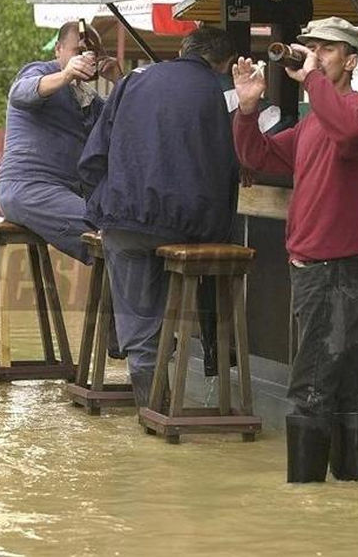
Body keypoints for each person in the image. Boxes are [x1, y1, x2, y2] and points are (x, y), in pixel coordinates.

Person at [232, 16, 358, 482]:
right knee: (340, 384)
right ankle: (348, 489)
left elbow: (350, 132)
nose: (315, 55)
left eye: (328, 50)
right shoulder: (316, 121)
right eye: (312, 47)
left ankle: (305, 500)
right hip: (316, 267)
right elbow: (257, 156)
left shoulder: (356, 110)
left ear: (351, 60)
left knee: (310, 384)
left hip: (333, 269)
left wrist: (312, 78)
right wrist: (248, 110)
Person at [78, 26, 240, 408]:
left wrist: (102, 205)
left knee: (139, 317)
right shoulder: (213, 93)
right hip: (185, 227)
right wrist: (218, 232)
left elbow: (92, 158)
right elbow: (224, 170)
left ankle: (150, 407)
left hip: (124, 221)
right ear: (224, 63)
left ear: (184, 49)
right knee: (178, 291)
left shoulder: (133, 80)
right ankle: (183, 385)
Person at [0, 21, 122, 265]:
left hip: (64, 192)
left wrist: (119, 79)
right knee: (109, 230)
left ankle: (113, 301)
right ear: (58, 50)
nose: (87, 58)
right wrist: (66, 74)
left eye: (93, 53)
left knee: (124, 227)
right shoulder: (39, 72)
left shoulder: (88, 97)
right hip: (27, 188)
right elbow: (20, 94)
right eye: (79, 51)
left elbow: (125, 122)